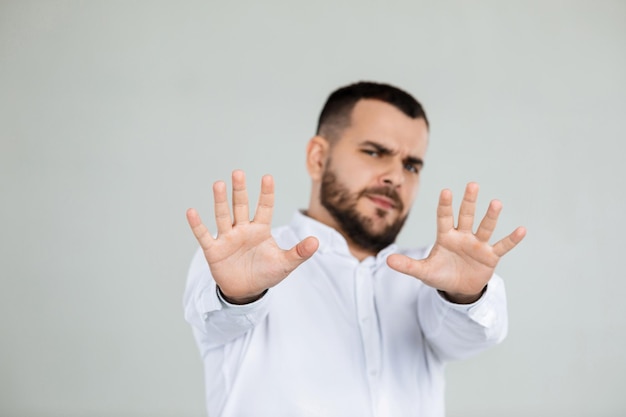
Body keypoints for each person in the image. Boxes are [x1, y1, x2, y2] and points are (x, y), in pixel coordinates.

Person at [184, 81, 526, 417]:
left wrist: (464, 297)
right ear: (318, 158)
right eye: (375, 152)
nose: (396, 177)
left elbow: (468, 337)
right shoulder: (242, 263)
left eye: (411, 165)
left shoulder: (430, 277)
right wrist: (238, 296)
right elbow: (217, 321)